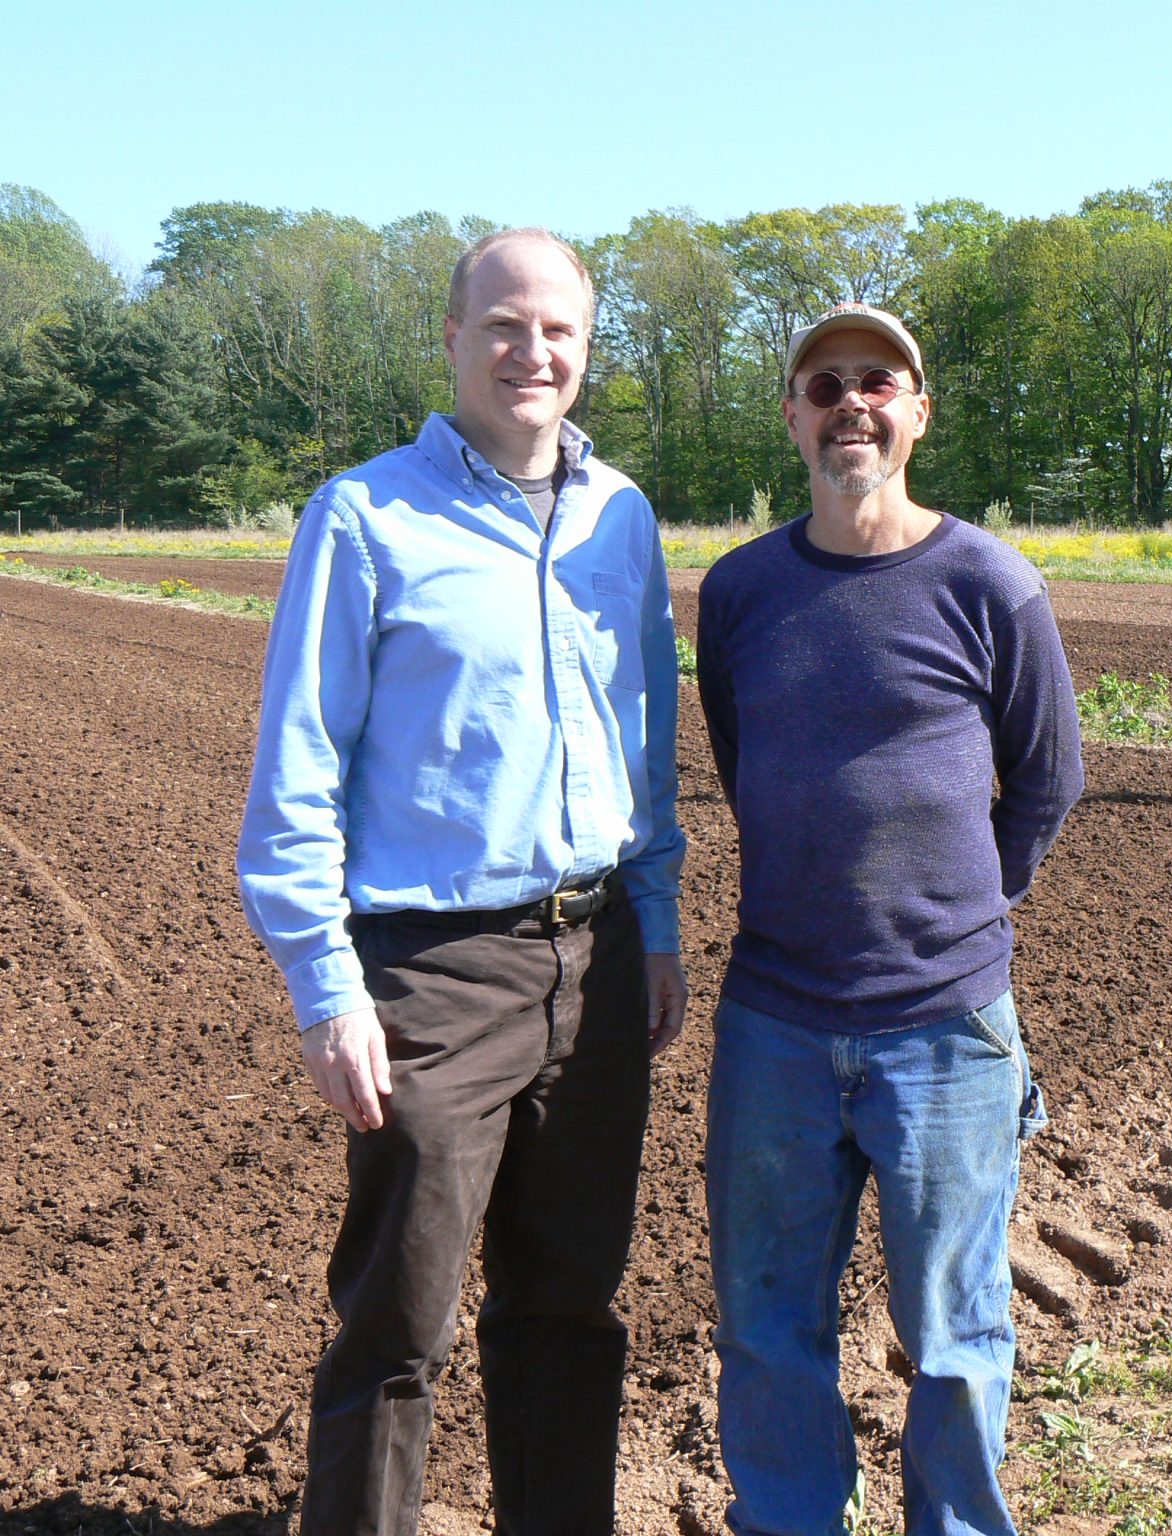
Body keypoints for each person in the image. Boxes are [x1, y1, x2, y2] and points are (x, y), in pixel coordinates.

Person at [236, 227, 688, 1536]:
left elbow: (642, 751)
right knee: (397, 1325)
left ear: (587, 349)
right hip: (434, 978)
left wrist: (654, 924)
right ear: (452, 338)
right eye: (503, 324)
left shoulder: (624, 517)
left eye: (557, 329)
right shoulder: (366, 517)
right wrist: (330, 992)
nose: (530, 351)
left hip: (595, 968)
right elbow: (298, 772)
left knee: (568, 1306)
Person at [695, 302, 1084, 1536]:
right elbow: (739, 758)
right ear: (792, 415)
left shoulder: (987, 582)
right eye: (823, 384)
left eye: (877, 381)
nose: (849, 403)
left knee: (956, 1333)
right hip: (774, 1026)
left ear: (918, 410)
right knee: (766, 1330)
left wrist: (967, 916)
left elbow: (1047, 777)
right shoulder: (743, 591)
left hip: (946, 1032)